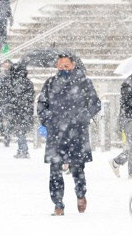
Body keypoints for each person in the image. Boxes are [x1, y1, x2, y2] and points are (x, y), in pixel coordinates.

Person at [37, 54, 101, 216]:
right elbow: (42, 105)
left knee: (78, 167)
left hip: (77, 131)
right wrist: (47, 119)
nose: (62, 68)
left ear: (73, 65)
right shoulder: (50, 83)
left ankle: (81, 194)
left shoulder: (84, 83)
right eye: (60, 65)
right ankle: (58, 204)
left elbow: (95, 103)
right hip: (56, 132)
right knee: (55, 170)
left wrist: (83, 116)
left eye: (66, 65)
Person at [11, 64, 35, 159]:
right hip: (25, 110)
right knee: (21, 131)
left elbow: (13, 96)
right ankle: (22, 149)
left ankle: (23, 150)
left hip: (20, 110)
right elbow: (31, 97)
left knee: (20, 132)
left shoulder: (16, 83)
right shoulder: (28, 82)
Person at [0, 60, 16, 146]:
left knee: (10, 120)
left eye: (7, 64)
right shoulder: (0, 75)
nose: (6, 66)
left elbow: (13, 87)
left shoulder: (13, 75)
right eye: (5, 64)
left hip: (10, 101)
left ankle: (7, 135)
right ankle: (5, 134)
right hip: (2, 100)